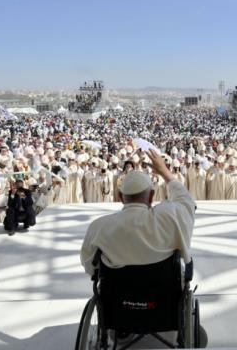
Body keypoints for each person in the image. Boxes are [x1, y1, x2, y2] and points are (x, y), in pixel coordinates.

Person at [80, 148, 205, 346]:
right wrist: (164, 171)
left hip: (118, 306)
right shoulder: (169, 217)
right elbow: (186, 200)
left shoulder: (100, 226)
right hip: (164, 305)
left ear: (120, 197)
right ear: (151, 196)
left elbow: (90, 266)